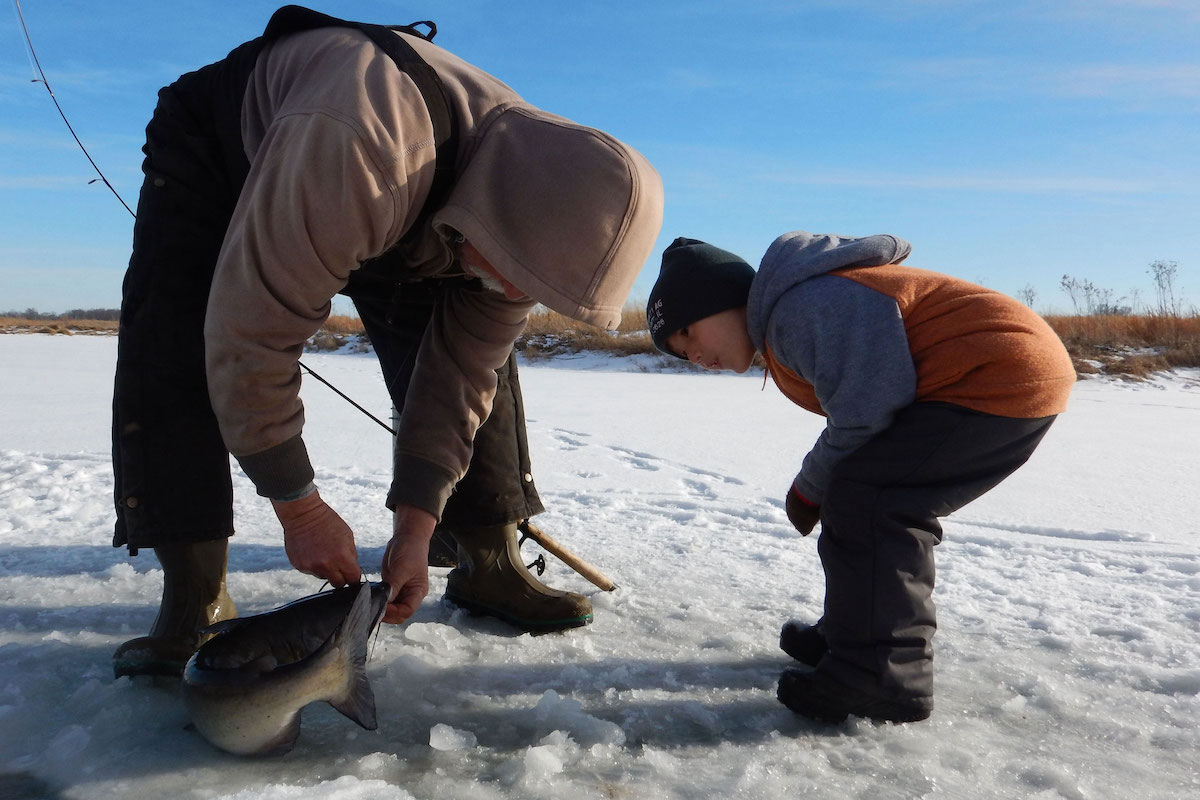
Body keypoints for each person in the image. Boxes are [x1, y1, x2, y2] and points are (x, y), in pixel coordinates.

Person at [110, 5, 664, 678]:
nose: (520, 296)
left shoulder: (527, 209)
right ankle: (195, 597)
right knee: (179, 335)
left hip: (416, 188)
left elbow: (461, 380)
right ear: (503, 221)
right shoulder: (362, 153)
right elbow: (248, 336)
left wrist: (416, 524)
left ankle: (487, 556)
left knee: (486, 366)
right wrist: (300, 507)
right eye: (521, 277)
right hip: (234, 146)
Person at [645, 232, 1074, 723]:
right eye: (679, 354)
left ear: (719, 301)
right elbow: (865, 415)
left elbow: (865, 412)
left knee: (875, 502)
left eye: (687, 334)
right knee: (862, 494)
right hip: (995, 374)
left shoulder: (801, 308)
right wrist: (825, 484)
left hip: (995, 375)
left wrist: (809, 487)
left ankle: (883, 676)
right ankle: (855, 638)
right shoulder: (794, 312)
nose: (693, 357)